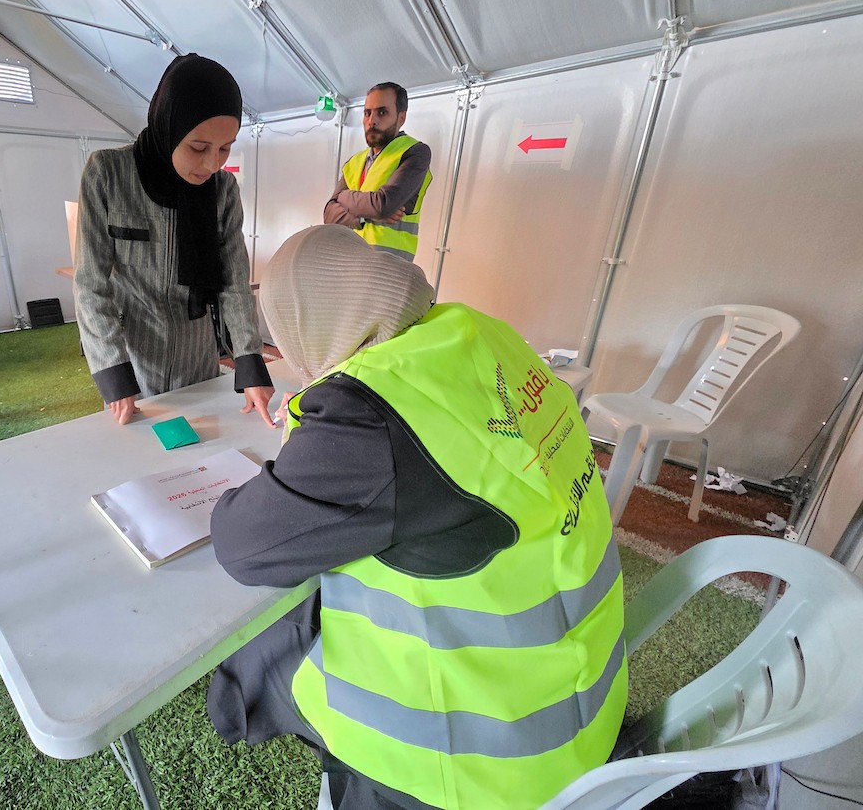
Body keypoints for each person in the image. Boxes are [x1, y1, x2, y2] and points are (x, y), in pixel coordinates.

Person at [206, 225, 627, 810]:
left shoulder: (373, 410)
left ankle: (231, 711)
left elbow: (244, 546)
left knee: (271, 644)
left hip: (472, 766)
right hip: (579, 712)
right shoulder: (478, 333)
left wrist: (315, 430)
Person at [74, 54, 274, 426]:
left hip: (199, 358)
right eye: (199, 147)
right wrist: (113, 372)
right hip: (134, 357)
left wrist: (250, 363)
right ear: (170, 125)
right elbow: (90, 283)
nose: (213, 164)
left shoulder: (223, 190)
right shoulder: (108, 174)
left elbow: (234, 282)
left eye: (225, 148)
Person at [323, 82, 432, 261]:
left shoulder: (415, 152)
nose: (372, 120)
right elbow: (328, 214)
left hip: (389, 269)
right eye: (367, 113)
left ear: (401, 118)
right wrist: (363, 219)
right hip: (351, 263)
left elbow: (383, 205)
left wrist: (343, 197)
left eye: (382, 112)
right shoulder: (355, 162)